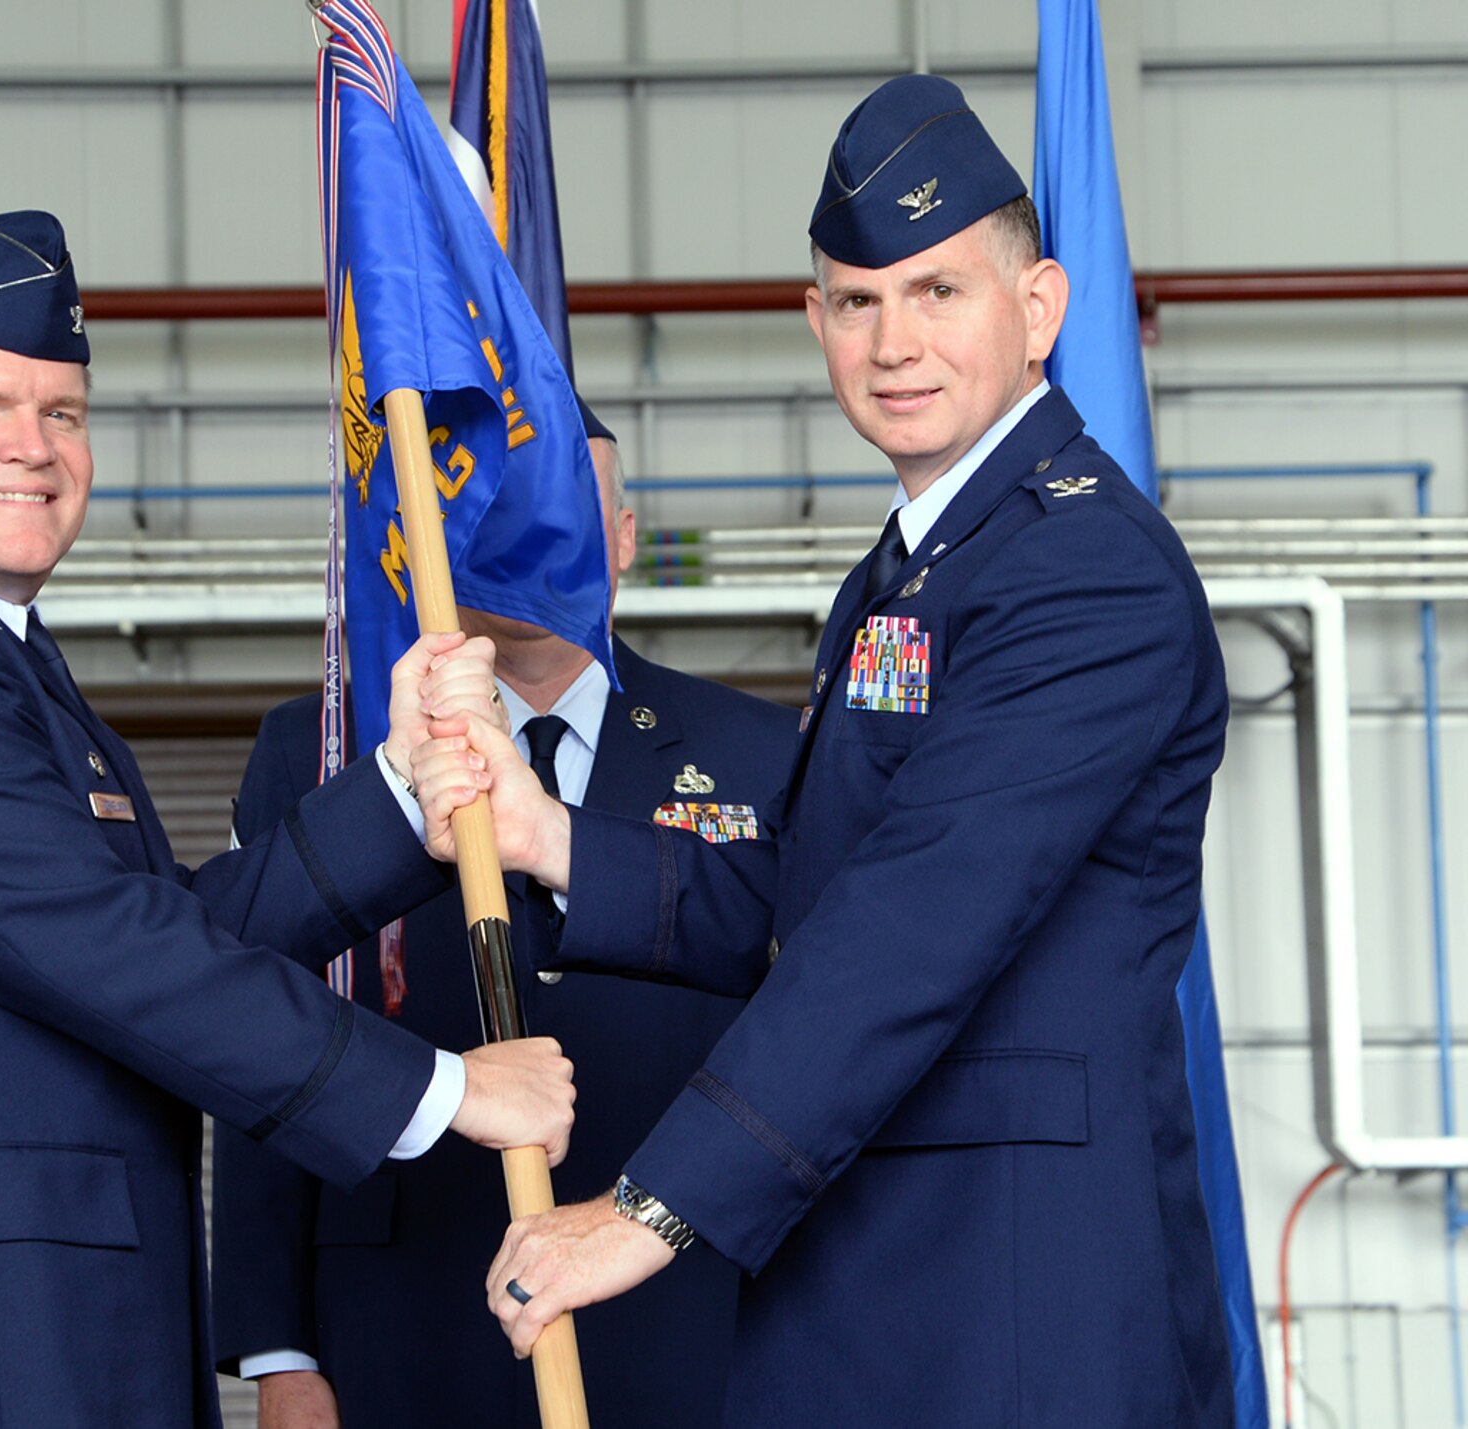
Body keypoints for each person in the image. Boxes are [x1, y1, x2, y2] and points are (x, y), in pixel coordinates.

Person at [417, 76, 1237, 1427]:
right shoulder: (922, 564)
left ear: (1039, 309)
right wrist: (547, 838)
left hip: (1009, 1301)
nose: (893, 341)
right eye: (858, 302)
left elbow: (916, 919)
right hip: (880, 1273)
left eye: (939, 292)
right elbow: (823, 889)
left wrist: (644, 1211)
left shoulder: (1086, 569)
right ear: (816, 323)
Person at [0, 211, 576, 1429]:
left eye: (59, 413)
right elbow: (120, 957)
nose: (31, 446)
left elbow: (153, 924)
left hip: (44, 1340)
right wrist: (443, 1090)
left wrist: (400, 792)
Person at [211, 404, 800, 1429]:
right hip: (395, 1322)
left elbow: (809, 1044)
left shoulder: (761, 751)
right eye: (495, 505)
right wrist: (280, 1353)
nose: (530, 534)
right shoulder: (325, 747)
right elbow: (250, 1029)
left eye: (566, 506)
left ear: (622, 535)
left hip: (685, 1313)